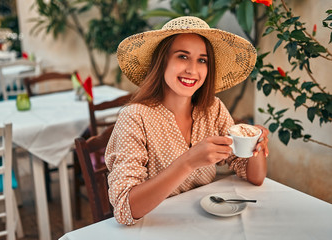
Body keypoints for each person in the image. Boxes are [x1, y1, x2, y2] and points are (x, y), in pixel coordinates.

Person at [105, 16, 269, 226]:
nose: (192, 70)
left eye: (202, 60)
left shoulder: (212, 109)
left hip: (204, 224)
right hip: (156, 227)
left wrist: (255, 143)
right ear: (162, 61)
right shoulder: (135, 117)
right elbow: (125, 209)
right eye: (182, 57)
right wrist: (189, 161)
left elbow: (254, 177)